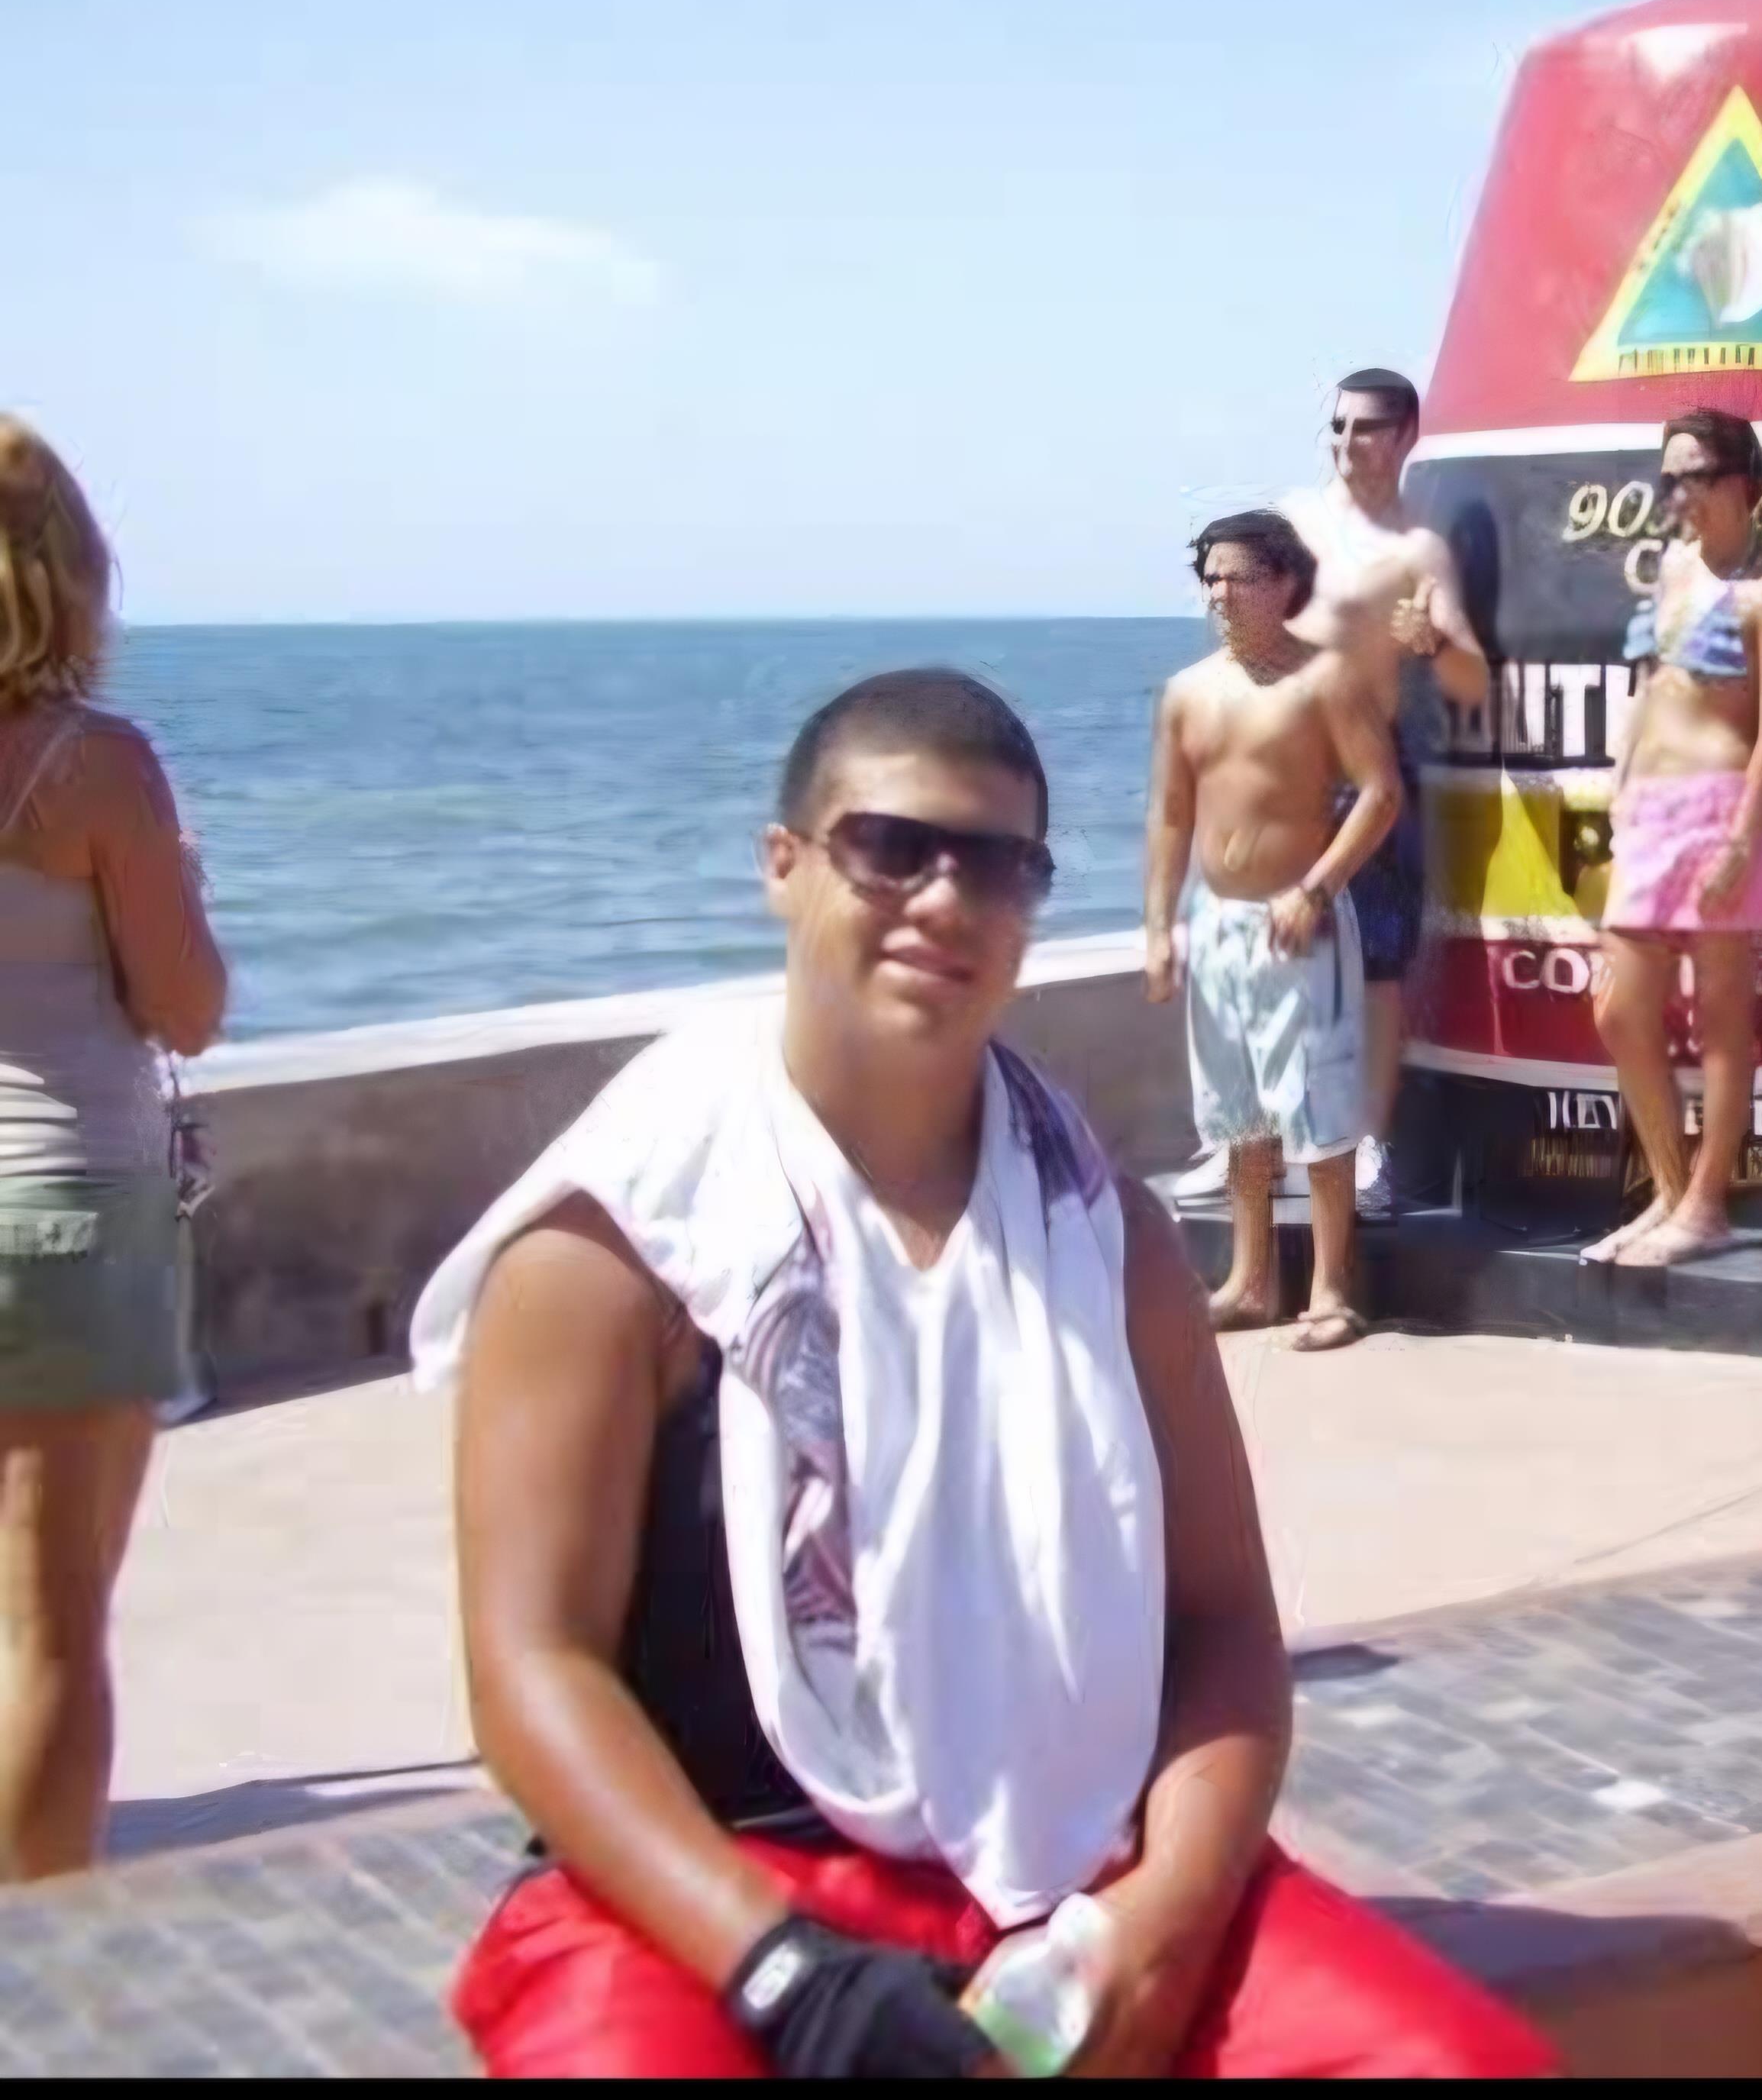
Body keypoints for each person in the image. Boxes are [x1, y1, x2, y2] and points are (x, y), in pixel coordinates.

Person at [410, 668, 1551, 2078]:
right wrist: (785, 1979)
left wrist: (1165, 1925)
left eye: (997, 865)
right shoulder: (621, 1242)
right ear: (785, 867)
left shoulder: (1105, 1235)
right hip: (702, 1894)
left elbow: (1223, 1628)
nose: (946, 899)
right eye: (892, 847)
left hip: (1076, 1877)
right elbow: (533, 1668)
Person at [0, 421, 228, 1882]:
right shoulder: (89, 765)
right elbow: (188, 1008)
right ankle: (40, 1973)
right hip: (60, 1208)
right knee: (53, 1623)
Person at [1146, 515, 1402, 1354]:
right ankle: (1250, 1280)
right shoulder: (1187, 691)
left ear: (1285, 582)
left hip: (1303, 922)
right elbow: (1171, 814)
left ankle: (1331, 1289)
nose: (1221, 593)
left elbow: (1380, 793)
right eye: (1211, 578)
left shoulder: (1326, 680)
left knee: (1318, 1107)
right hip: (1218, 927)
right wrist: (1160, 926)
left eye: (1240, 577)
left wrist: (1318, 887)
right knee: (1239, 1113)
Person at [1583, 411, 1762, 1269]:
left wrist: (1746, 839)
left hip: (1723, 808)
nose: (1682, 495)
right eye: (1670, 478)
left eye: (1698, 476)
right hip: (1650, 812)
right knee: (1621, 1009)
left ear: (1742, 478)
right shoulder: (1671, 566)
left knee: (1721, 1022)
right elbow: (1653, 688)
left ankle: (1706, 1205)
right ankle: (1672, 1194)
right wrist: (1620, 783)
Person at [1277, 368, 1489, 1224]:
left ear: (1406, 436)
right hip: (1274, 760)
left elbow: (1472, 681)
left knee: (1377, 967)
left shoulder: (1418, 551)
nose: (1346, 443)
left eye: (1366, 428)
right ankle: (1250, 1138)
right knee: (1261, 952)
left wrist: (1433, 640)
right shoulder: (1288, 522)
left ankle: (1372, 1144)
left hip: (1363, 765)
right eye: (1336, 425)